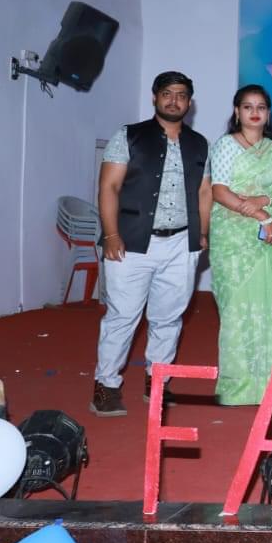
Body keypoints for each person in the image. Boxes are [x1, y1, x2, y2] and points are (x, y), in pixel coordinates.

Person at [90, 71, 210, 417]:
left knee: (169, 318)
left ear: (189, 103)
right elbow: (109, 187)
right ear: (155, 97)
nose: (174, 100)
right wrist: (111, 235)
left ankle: (158, 381)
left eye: (181, 95)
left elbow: (204, 191)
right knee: (122, 316)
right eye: (167, 93)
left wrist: (202, 233)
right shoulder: (128, 135)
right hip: (130, 243)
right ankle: (106, 385)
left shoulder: (199, 143)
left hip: (181, 244)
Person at [209, 85, 272, 406]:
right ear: (236, 112)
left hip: (271, 241)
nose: (254, 112)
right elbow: (220, 191)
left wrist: (262, 201)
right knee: (238, 308)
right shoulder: (225, 145)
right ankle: (240, 386)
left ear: (267, 114)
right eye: (248, 106)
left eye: (261, 107)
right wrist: (262, 216)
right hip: (235, 238)